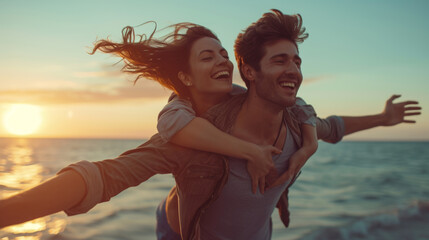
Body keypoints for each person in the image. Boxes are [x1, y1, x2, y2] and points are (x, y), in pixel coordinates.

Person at [0, 10, 421, 240]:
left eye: (297, 60)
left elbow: (330, 125)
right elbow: (105, 175)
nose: (294, 69)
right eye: (280, 60)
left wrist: (382, 119)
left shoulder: (297, 120)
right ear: (250, 72)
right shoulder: (189, 133)